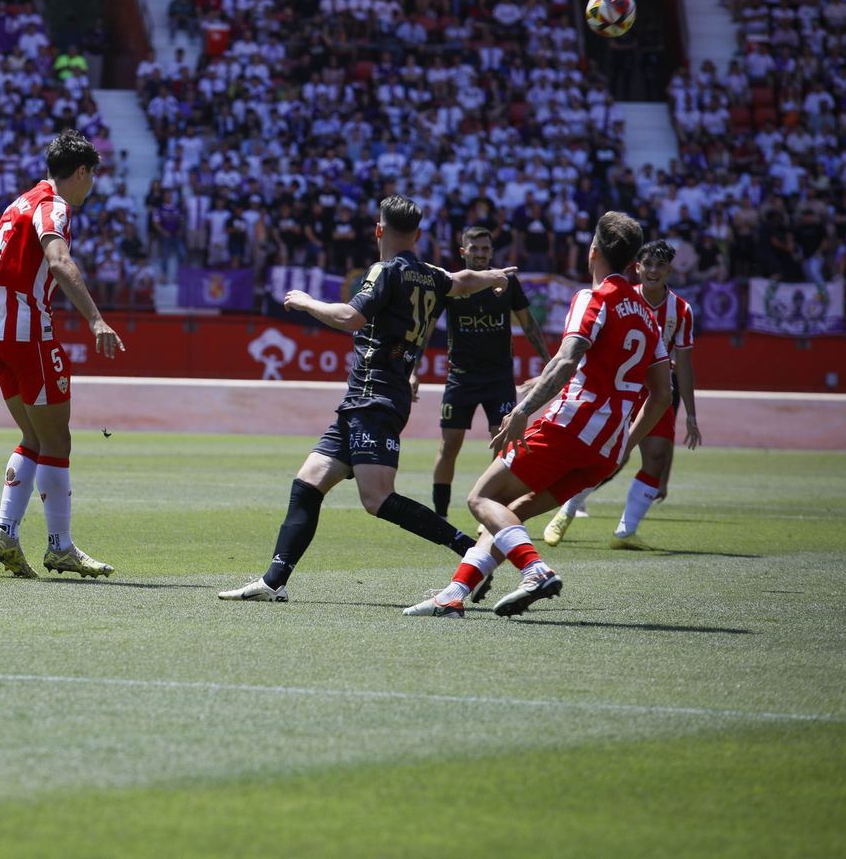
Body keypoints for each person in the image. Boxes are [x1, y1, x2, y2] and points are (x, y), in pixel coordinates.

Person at [218, 196, 518, 604]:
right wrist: (492, 276)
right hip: (366, 398)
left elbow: (350, 318)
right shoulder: (431, 275)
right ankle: (273, 582)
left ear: (379, 229)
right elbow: (461, 281)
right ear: (417, 234)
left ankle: (472, 554)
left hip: (374, 396)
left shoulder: (384, 270)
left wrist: (305, 302)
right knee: (308, 483)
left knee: (377, 499)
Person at [404, 212, 672, 619]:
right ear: (635, 261)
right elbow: (662, 394)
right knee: (510, 514)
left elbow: (566, 360)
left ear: (593, 251)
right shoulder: (648, 315)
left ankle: (535, 570)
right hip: (606, 448)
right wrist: (625, 444)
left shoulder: (593, 298)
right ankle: (453, 595)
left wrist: (523, 411)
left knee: (481, 498)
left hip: (570, 427)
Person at [0, 130, 124, 581]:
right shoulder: (52, 206)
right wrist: (96, 320)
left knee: (34, 438)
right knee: (58, 441)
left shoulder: (16, 205)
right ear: (81, 171)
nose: (91, 185)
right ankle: (60, 546)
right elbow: (59, 262)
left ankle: (6, 532)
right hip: (28, 333)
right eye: (92, 176)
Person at [544, 239, 702, 549]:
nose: (653, 270)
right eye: (648, 264)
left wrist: (691, 414)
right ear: (637, 267)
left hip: (656, 392)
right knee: (610, 456)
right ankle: (568, 508)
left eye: (660, 265)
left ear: (669, 270)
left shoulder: (681, 310)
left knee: (656, 457)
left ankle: (625, 532)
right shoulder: (625, 300)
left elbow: (684, 364)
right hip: (621, 388)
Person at [430, 226, 550, 520]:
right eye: (475, 249)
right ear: (463, 252)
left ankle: (495, 515)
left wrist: (548, 361)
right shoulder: (451, 284)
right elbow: (427, 327)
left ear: (492, 252)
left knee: (504, 446)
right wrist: (413, 372)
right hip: (461, 378)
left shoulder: (508, 282)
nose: (481, 254)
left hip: (499, 379)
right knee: (449, 446)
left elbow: (528, 324)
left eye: (486, 249)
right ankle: (440, 517)